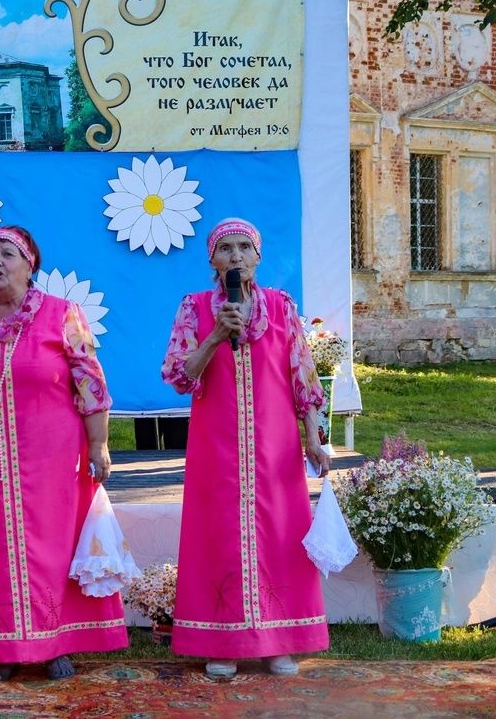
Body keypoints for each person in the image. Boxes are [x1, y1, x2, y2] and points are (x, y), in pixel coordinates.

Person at [0, 225, 127, 681]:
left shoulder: (61, 313)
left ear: (30, 264)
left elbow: (90, 382)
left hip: (52, 457)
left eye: (7, 254)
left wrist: (99, 443)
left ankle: (54, 644)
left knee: (52, 545)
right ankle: (4, 648)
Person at [160, 218, 331, 679]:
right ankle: (224, 642)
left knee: (280, 534)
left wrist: (313, 438)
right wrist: (216, 334)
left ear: (258, 256)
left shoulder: (280, 306)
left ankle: (280, 641)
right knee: (218, 536)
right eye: (225, 249)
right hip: (215, 448)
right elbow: (178, 376)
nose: (235, 256)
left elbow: (304, 378)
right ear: (211, 260)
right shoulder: (194, 308)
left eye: (244, 248)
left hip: (275, 447)